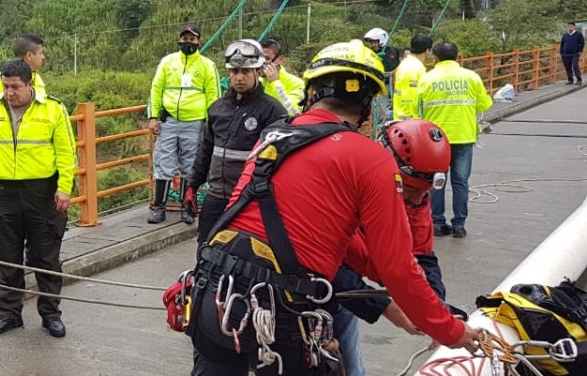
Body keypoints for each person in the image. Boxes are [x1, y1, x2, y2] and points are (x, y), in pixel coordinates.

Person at [188, 41, 478, 375]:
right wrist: (450, 330)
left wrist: (415, 303)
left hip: (213, 292)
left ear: (311, 92)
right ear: (368, 104)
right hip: (277, 314)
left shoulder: (275, 135)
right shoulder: (371, 159)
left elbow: (343, 244)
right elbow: (396, 266)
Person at [332, 119, 457, 376]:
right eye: (412, 190)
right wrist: (386, 307)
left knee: (349, 362)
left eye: (426, 193)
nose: (418, 200)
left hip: (343, 272)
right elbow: (330, 267)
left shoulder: (415, 198)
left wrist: (435, 305)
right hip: (306, 275)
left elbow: (422, 254)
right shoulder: (343, 188)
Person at [0, 59, 77, 338]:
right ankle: (9, 313)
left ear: (30, 84)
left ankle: (51, 314)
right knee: (8, 257)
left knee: (46, 257)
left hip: (42, 194)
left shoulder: (53, 109)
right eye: (5, 86)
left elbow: (66, 152)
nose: (9, 92)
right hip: (4, 194)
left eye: (15, 87)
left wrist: (65, 188)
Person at [186, 39, 287, 243]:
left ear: (258, 72)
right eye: (234, 72)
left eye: (246, 72)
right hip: (216, 196)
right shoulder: (217, 108)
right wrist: (192, 186)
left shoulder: (272, 110)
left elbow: (278, 160)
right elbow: (204, 151)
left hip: (249, 200)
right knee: (205, 248)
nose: (239, 77)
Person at [145, 22, 220, 224]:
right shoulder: (168, 62)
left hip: (195, 123)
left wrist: (210, 123)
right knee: (163, 162)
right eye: (185, 38)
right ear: (179, 40)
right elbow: (156, 89)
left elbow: (213, 95)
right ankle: (159, 208)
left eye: (192, 39)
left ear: (198, 41)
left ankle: (187, 207)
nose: (188, 42)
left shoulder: (207, 65)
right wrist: (153, 116)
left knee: (191, 165)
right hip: (168, 121)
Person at [417, 41, 492, 239]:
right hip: (463, 135)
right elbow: (485, 103)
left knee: (437, 181)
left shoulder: (427, 79)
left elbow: (418, 109)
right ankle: (459, 225)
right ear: (457, 56)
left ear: (435, 57)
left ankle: (438, 223)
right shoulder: (471, 77)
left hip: (436, 139)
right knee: (461, 182)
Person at [0, 34, 47, 100]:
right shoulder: (3, 78)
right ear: (29, 55)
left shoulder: (37, 78)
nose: (43, 57)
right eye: (40, 53)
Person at [260, 37, 305, 115]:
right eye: (259, 59)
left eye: (267, 59)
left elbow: (294, 112)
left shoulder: (297, 84)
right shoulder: (257, 82)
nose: (261, 64)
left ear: (280, 59)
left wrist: (275, 83)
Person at [393, 34, 432, 120]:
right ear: (427, 51)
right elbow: (410, 98)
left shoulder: (405, 63)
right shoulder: (414, 68)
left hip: (401, 118)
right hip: (410, 122)